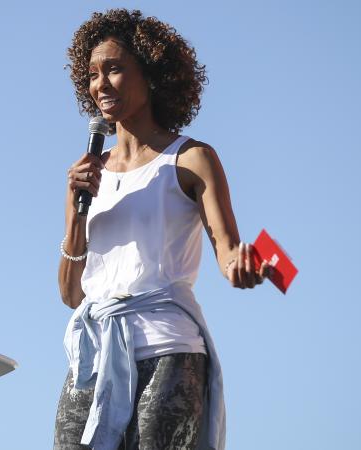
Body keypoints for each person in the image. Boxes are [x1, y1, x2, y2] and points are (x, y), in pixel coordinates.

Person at [54, 9, 271, 450]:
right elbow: (71, 294)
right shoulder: (85, 174)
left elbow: (228, 254)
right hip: (94, 354)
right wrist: (78, 215)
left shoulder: (192, 159)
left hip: (168, 349)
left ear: (150, 74)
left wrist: (247, 265)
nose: (101, 84)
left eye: (114, 69)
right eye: (93, 74)